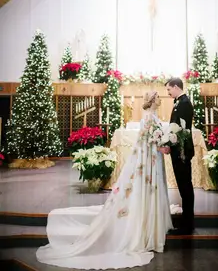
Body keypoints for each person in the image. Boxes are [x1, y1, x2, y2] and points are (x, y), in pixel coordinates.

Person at [36, 91, 173, 270]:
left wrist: (161, 144)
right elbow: (147, 141)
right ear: (153, 100)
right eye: (158, 97)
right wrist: (161, 146)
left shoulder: (153, 116)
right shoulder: (148, 118)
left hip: (154, 159)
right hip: (150, 158)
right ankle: (146, 231)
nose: (161, 99)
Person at [164, 77, 195, 234]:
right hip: (179, 150)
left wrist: (168, 144)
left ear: (176, 87)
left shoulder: (183, 104)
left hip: (182, 151)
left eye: (169, 89)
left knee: (185, 186)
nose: (168, 93)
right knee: (183, 186)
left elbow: (180, 130)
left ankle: (187, 225)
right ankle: (186, 222)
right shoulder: (180, 102)